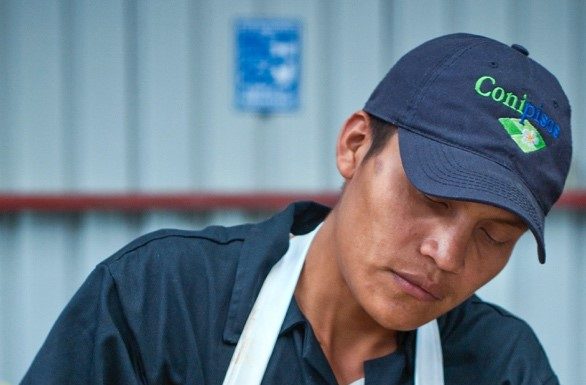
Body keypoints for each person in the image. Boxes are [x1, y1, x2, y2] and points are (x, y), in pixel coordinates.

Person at [21, 33, 571, 385]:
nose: (447, 255)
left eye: (495, 236)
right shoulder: (159, 303)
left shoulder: (503, 365)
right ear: (355, 145)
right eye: (432, 197)